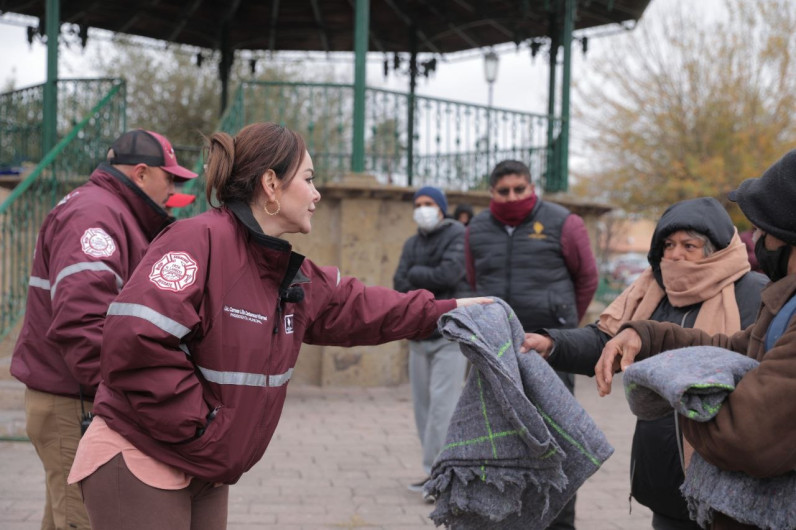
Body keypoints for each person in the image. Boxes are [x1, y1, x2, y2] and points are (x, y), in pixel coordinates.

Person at [67, 122, 490, 530]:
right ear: (271, 184)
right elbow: (136, 340)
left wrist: (450, 311)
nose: (317, 193)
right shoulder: (196, 241)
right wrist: (202, 426)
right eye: (308, 178)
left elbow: (360, 307)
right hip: (143, 454)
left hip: (203, 465)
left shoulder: (281, 269)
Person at [523, 197, 768, 530]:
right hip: (662, 477)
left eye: (689, 245)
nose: (675, 254)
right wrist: (553, 344)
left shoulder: (755, 293)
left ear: (716, 250)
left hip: (728, 478)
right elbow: (606, 342)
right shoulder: (651, 290)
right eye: (668, 245)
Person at [595, 150, 796, 530]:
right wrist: (646, 334)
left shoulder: (757, 291)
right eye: (669, 246)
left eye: (762, 229)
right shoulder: (785, 298)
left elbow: (746, 435)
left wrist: (681, 396)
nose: (756, 238)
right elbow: (734, 348)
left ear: (787, 235)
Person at [9, 129, 197, 530]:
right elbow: (83, 322)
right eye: (171, 178)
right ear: (142, 173)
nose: (174, 190)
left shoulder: (107, 210)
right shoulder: (95, 215)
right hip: (76, 400)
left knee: (66, 518)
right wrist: (129, 397)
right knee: (82, 520)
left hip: (74, 396)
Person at [465, 158, 598, 530]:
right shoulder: (476, 229)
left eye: (519, 189)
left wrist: (562, 329)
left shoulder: (564, 223)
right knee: (497, 441)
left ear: (532, 187)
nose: (512, 197)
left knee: (557, 440)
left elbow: (587, 278)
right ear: (492, 193)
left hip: (550, 351)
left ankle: (559, 522)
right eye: (504, 191)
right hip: (494, 352)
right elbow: (473, 279)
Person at [393, 186, 468, 500]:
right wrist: (425, 278)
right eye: (418, 204)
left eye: (428, 203)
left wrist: (416, 275)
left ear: (441, 207)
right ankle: (433, 472)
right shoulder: (412, 243)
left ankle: (443, 477)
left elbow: (449, 275)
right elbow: (399, 281)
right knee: (423, 408)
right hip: (418, 335)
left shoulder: (458, 234)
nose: (422, 209)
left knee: (442, 407)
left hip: (448, 335)